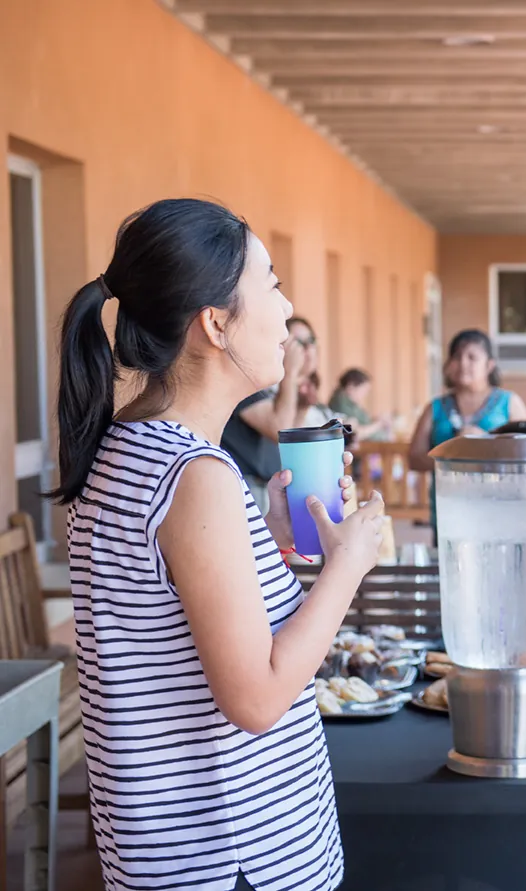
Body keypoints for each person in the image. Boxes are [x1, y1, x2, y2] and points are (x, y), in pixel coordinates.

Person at [51, 198, 387, 890]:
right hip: (234, 859)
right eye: (272, 283)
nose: (288, 309)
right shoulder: (195, 475)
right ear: (214, 322)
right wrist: (346, 567)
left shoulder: (122, 448)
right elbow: (256, 698)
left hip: (166, 852)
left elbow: (163, 610)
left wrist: (259, 535)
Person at [220, 315, 317, 513]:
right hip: (244, 485)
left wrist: (302, 402)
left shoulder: (285, 387)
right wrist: (289, 374)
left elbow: (291, 437)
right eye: (297, 343)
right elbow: (280, 430)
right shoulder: (246, 378)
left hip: (266, 486)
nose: (304, 350)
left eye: (310, 342)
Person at [408, 328, 526, 472]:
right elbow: (414, 459)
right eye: (457, 357)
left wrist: (485, 442)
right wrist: (451, 456)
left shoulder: (509, 403)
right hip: (446, 494)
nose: (463, 363)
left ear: (489, 365)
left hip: (498, 493)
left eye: (472, 357)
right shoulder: (436, 407)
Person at [329, 367, 392, 441]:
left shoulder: (350, 403)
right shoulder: (341, 403)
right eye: (364, 390)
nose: (365, 394)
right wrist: (379, 424)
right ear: (351, 387)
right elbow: (355, 432)